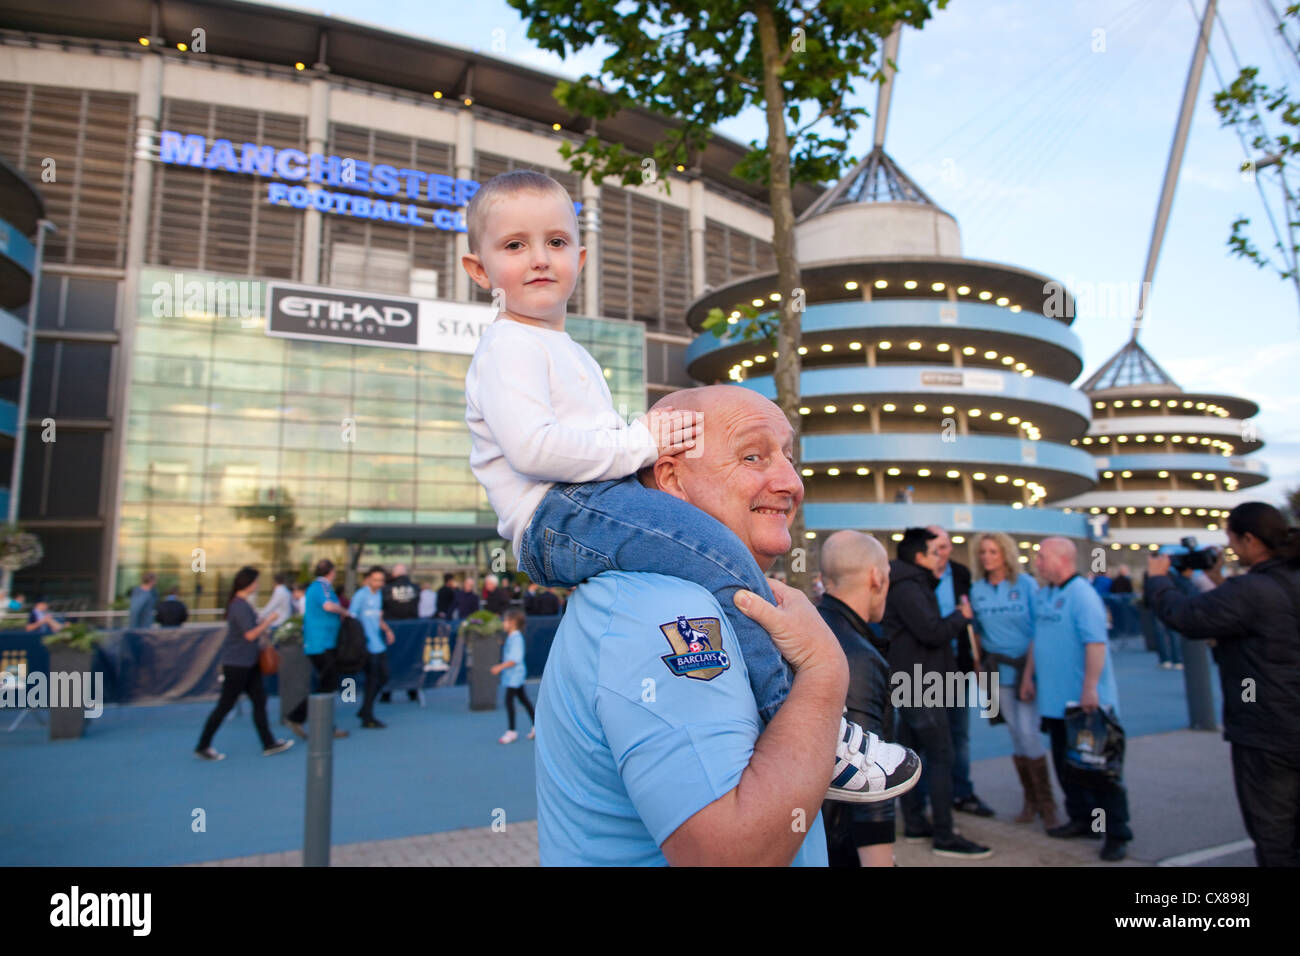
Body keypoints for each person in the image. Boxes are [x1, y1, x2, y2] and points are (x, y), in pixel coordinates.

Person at [463, 170, 902, 802]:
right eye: (515, 246)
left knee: (709, 549)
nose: (539, 259)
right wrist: (643, 440)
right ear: (479, 270)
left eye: (556, 242)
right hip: (554, 515)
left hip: (578, 505)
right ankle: (800, 722)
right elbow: (535, 449)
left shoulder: (560, 347)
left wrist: (634, 444)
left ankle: (791, 712)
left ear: (580, 258)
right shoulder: (508, 347)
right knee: (709, 545)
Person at [535, 385, 914, 864]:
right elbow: (731, 855)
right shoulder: (665, 608)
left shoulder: (679, 596)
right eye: (753, 456)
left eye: (789, 458)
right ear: (671, 478)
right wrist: (823, 672)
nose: (791, 482)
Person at [1144, 502, 1300, 867]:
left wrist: (1158, 580)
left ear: (1249, 539)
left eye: (1232, 540)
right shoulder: (1272, 584)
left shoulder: (1251, 591)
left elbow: (1186, 616)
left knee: (1275, 838)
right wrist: (1212, 578)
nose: (1230, 549)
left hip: (1267, 732)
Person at [883, 527, 990, 858]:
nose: (941, 556)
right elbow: (931, 631)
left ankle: (916, 823)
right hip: (920, 685)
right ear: (919, 556)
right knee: (941, 755)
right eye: (935, 550)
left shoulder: (910, 582)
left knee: (911, 755)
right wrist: (961, 617)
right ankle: (944, 834)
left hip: (920, 681)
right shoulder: (909, 586)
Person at [1024, 537, 1130, 862]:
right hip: (1055, 704)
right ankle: (1082, 819)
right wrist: (1029, 676)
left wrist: (1090, 688)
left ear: (1061, 559)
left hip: (1085, 704)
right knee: (1068, 768)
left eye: (1041, 556)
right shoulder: (1045, 594)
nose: (1036, 562)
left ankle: (1116, 833)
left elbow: (1095, 644)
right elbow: (1036, 638)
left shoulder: (1083, 595)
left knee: (1100, 770)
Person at [817, 530, 912, 867]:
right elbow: (867, 772)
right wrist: (881, 860)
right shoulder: (856, 654)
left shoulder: (812, 627)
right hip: (839, 843)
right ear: (877, 577)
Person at [969, 532, 1057, 828]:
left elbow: (1038, 631)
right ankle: (1029, 801)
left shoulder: (1027, 585)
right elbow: (977, 632)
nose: (987, 557)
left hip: (1026, 669)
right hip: (996, 671)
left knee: (1029, 732)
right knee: (1016, 735)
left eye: (993, 551)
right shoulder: (977, 589)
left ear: (1005, 554)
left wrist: (1030, 675)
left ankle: (1048, 804)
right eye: (983, 552)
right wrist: (979, 666)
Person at [925, 524, 993, 818]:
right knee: (925, 736)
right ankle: (926, 797)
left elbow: (972, 621)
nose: (940, 553)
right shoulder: (912, 576)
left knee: (958, 734)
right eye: (934, 547)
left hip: (958, 666)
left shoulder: (962, 575)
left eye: (944, 546)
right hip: (923, 672)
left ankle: (961, 792)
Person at [194, 566, 294, 760]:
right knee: (226, 705)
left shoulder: (242, 604)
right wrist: (268, 621)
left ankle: (268, 743)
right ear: (248, 583)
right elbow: (249, 635)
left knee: (259, 700)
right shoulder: (239, 606)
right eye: (255, 582)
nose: (257, 585)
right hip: (238, 664)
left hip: (248, 662)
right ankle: (203, 745)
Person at [285, 559, 350, 740]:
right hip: (319, 643)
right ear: (331, 572)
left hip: (325, 642)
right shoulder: (321, 587)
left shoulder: (320, 588)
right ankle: (302, 718)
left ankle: (314, 721)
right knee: (327, 684)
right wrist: (344, 612)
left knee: (327, 684)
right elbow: (328, 606)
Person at [351, 565, 396, 729]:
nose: (379, 583)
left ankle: (365, 710)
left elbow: (378, 618)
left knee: (384, 676)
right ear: (369, 578)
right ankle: (367, 716)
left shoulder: (379, 596)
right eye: (376, 579)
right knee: (372, 679)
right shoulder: (360, 596)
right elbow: (351, 618)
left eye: (381, 580)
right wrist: (357, 641)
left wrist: (388, 630)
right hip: (366, 646)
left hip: (378, 644)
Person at [491, 608, 535, 743]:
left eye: (505, 621)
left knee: (509, 701)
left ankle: (511, 732)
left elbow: (514, 659)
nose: (503, 623)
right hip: (513, 676)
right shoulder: (512, 637)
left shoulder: (516, 638)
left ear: (513, 622)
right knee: (524, 699)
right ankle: (537, 726)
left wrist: (499, 667)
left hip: (515, 676)